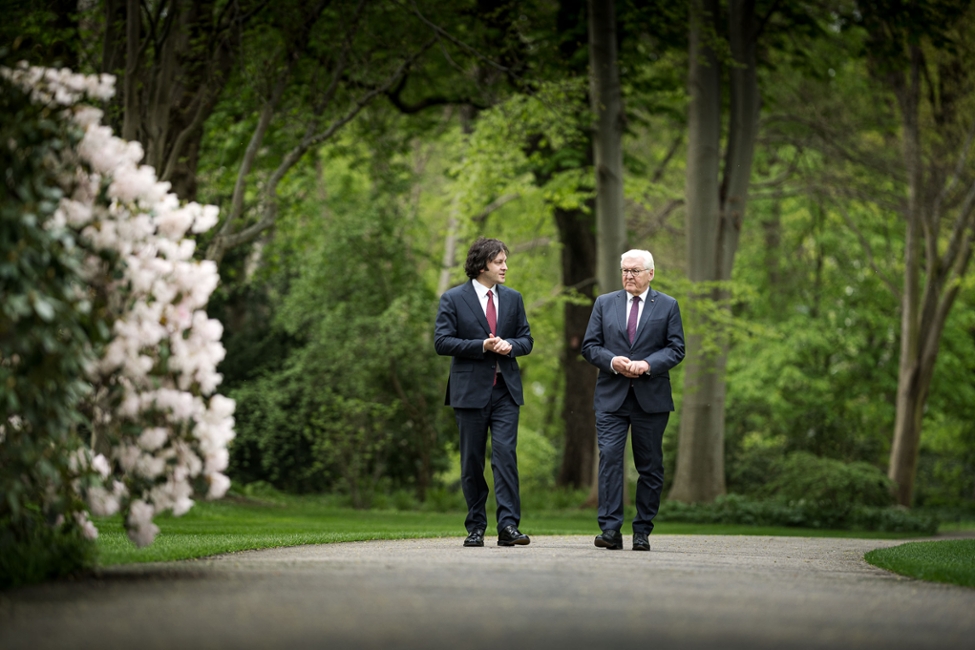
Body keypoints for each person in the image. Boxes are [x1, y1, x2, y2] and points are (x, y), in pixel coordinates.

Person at [581, 249, 685, 551]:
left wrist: (647, 365)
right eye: (625, 270)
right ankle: (610, 530)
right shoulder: (604, 303)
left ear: (650, 273)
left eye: (635, 270)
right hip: (611, 397)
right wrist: (613, 361)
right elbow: (590, 346)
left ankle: (642, 530)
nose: (629, 275)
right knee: (610, 459)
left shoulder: (667, 306)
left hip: (650, 398)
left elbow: (676, 348)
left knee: (649, 466)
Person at [434, 237, 534, 547]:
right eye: (499, 262)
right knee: (472, 462)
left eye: (505, 261)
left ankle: (508, 527)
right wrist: (481, 346)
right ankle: (475, 526)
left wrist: (510, 345)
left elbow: (526, 340)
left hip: (506, 391)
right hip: (469, 392)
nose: (505, 267)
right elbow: (442, 342)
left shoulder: (514, 298)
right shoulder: (453, 299)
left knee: (505, 458)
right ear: (482, 265)